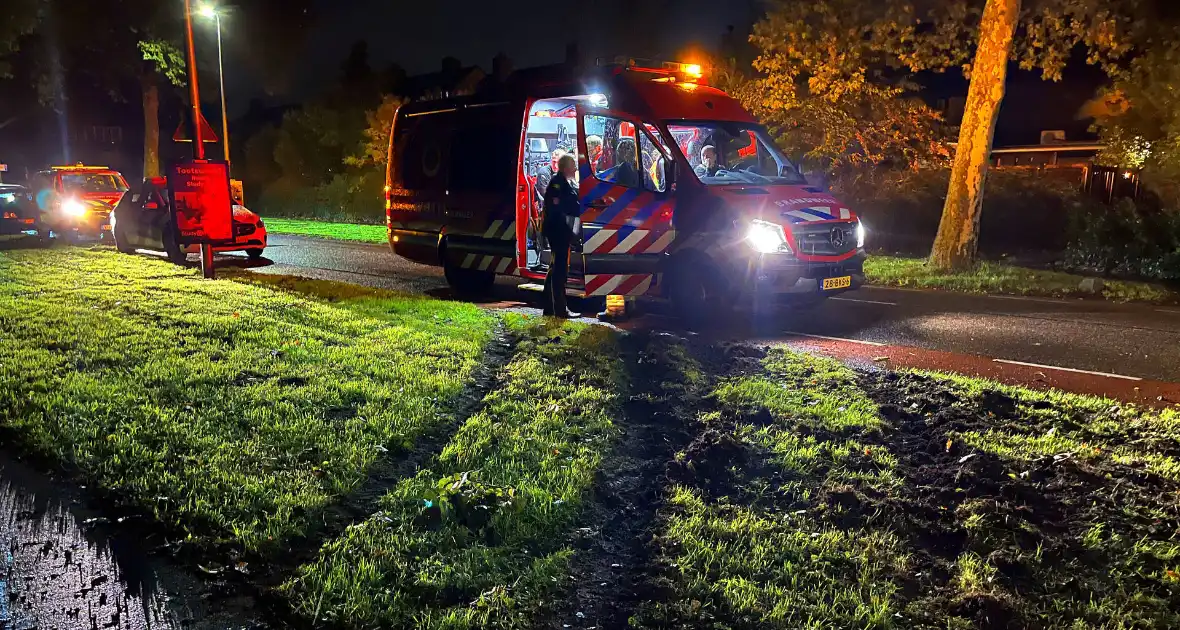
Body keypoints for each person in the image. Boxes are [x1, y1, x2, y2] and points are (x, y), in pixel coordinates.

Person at [542, 154, 581, 318]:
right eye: (573, 166)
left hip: (558, 230)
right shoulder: (558, 184)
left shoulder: (562, 182)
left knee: (555, 269)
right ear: (566, 167)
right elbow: (563, 207)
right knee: (559, 271)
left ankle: (551, 308)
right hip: (558, 231)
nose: (575, 169)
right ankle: (559, 310)